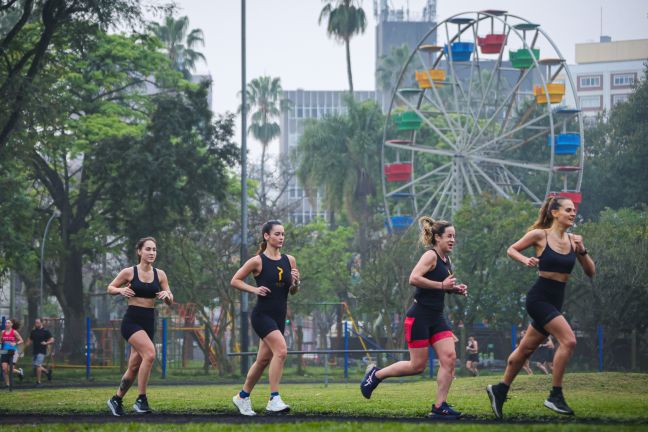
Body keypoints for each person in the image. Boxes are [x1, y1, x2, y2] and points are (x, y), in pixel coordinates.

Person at [487, 196, 595, 418]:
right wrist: (525, 260)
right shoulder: (540, 235)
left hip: (556, 301)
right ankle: (555, 395)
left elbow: (590, 271)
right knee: (569, 340)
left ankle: (500, 389)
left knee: (525, 350)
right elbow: (511, 249)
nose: (573, 213)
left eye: (574, 210)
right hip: (539, 299)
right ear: (555, 213)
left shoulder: (574, 241)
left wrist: (582, 249)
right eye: (568, 209)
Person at [360, 216, 467, 419]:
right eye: (449, 236)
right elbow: (414, 278)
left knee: (450, 358)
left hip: (437, 317)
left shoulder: (447, 260)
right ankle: (376, 374)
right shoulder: (431, 256)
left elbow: (440, 285)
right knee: (416, 366)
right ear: (437, 237)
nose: (452, 240)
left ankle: (439, 407)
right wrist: (443, 286)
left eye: (454, 236)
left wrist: (454, 289)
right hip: (419, 316)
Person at [231, 220, 300, 416]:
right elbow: (234, 280)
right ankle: (274, 399)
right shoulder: (257, 261)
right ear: (266, 236)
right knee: (281, 350)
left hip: (279, 317)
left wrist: (296, 282)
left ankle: (242, 397)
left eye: (283, 234)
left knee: (262, 361)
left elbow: (293, 291)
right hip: (262, 316)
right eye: (277, 234)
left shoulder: (290, 260)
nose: (281, 238)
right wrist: (254, 289)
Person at [106, 237, 174, 416]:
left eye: (154, 250)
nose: (152, 253)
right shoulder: (129, 272)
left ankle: (116, 399)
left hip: (149, 321)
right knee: (150, 354)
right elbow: (110, 288)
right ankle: (141, 399)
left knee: (134, 366)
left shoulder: (160, 275)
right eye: (148, 249)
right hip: (132, 321)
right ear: (139, 251)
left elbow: (170, 300)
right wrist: (121, 290)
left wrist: (166, 295)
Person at [25, 318, 54, 386]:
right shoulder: (33, 331)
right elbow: (30, 340)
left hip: (42, 351)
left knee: (38, 365)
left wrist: (46, 343)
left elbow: (52, 340)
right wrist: (27, 344)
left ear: (41, 323)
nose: (36, 323)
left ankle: (38, 382)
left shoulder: (46, 331)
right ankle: (47, 372)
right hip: (35, 351)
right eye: (35, 322)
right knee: (35, 366)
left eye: (38, 322)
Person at [1, 319, 24, 388]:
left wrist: (15, 343)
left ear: (11, 324)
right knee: (4, 369)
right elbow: (1, 340)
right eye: (6, 323)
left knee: (9, 369)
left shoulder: (14, 332)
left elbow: (21, 340)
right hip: (4, 351)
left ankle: (20, 372)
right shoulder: (2, 332)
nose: (7, 324)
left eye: (8, 323)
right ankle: (7, 384)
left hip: (13, 352)